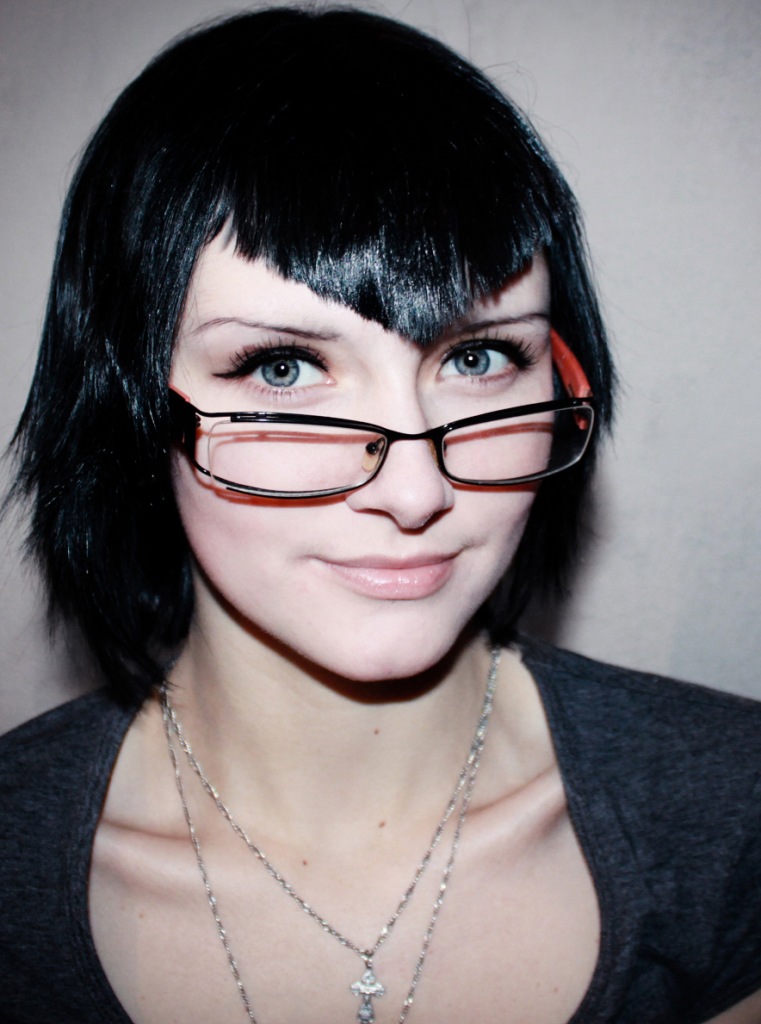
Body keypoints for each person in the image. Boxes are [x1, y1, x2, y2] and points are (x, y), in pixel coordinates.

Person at [0, 7, 759, 1024]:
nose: (416, 492)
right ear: (125, 410)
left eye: (478, 357)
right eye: (282, 368)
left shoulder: (733, 816)